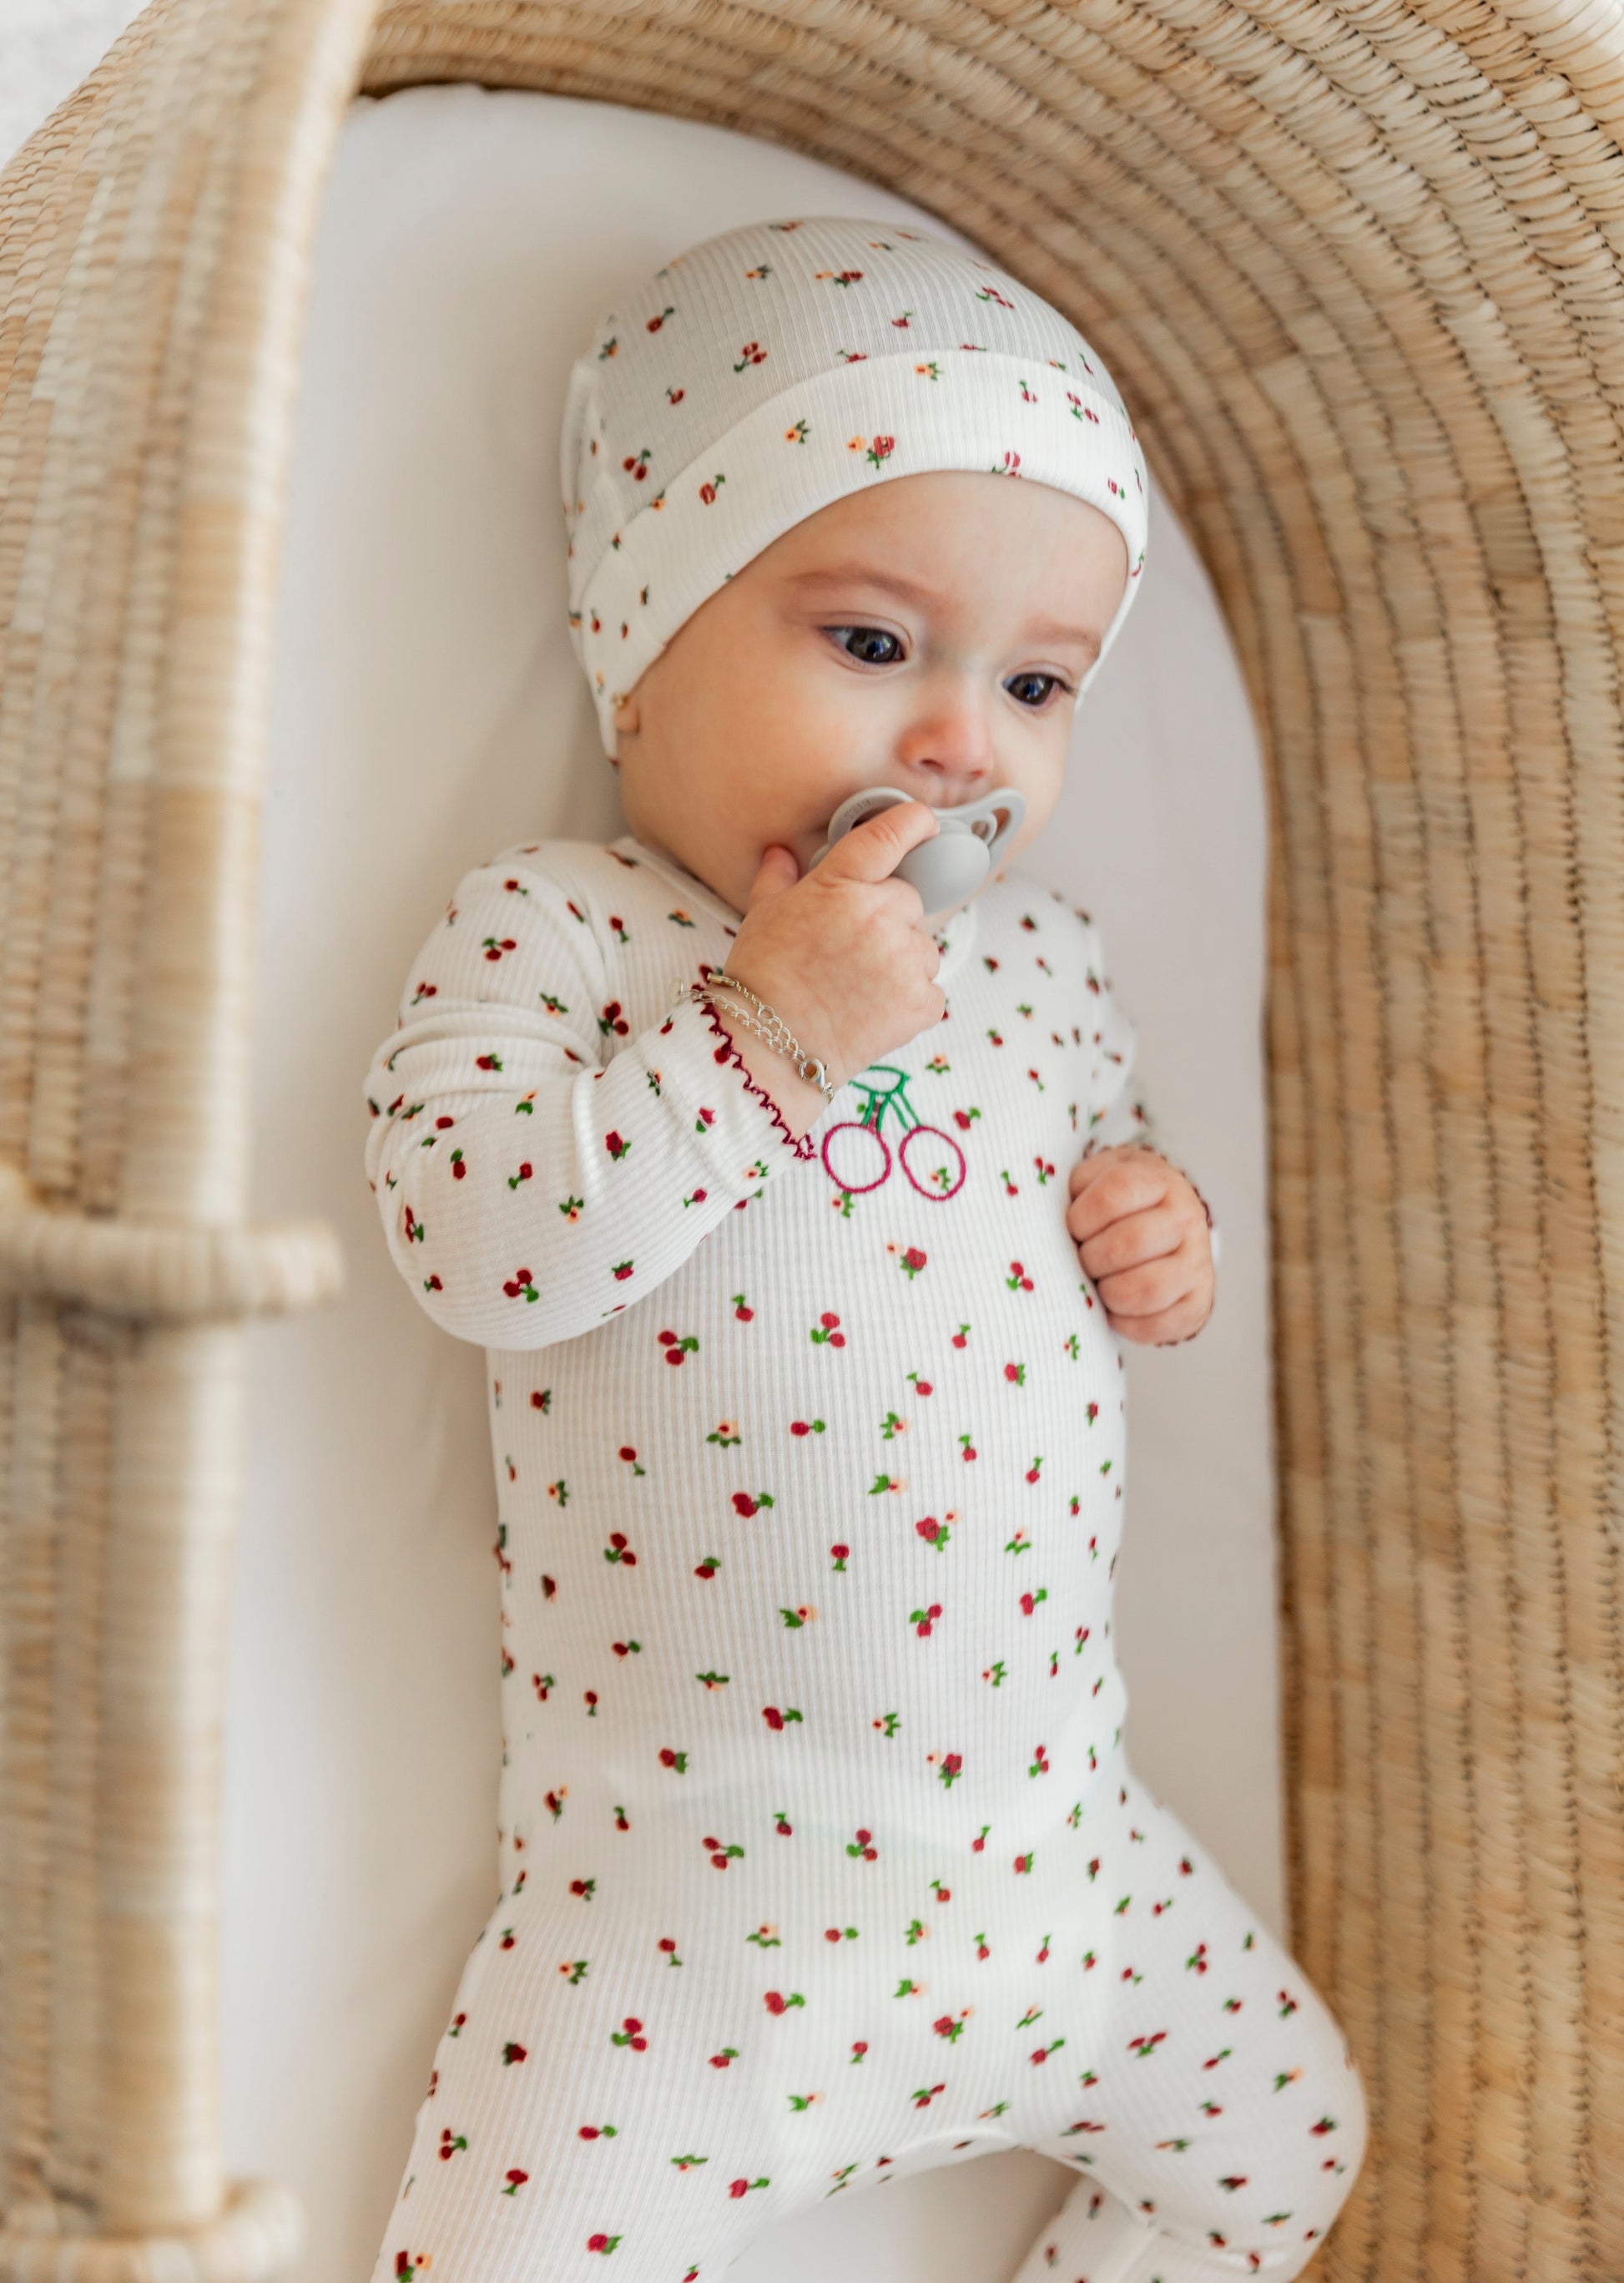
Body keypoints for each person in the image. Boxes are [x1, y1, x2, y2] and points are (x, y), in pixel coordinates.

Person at [362, 214, 1366, 2283]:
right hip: (692, 1929)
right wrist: (762, 1031)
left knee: (1288, 2144)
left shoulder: (1049, 967)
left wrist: (1147, 1226)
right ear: (637, 637)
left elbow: (1111, 1170)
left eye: (1033, 684)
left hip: (1064, 1873)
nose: (962, 745)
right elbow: (477, 1242)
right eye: (874, 644)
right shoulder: (567, 928)